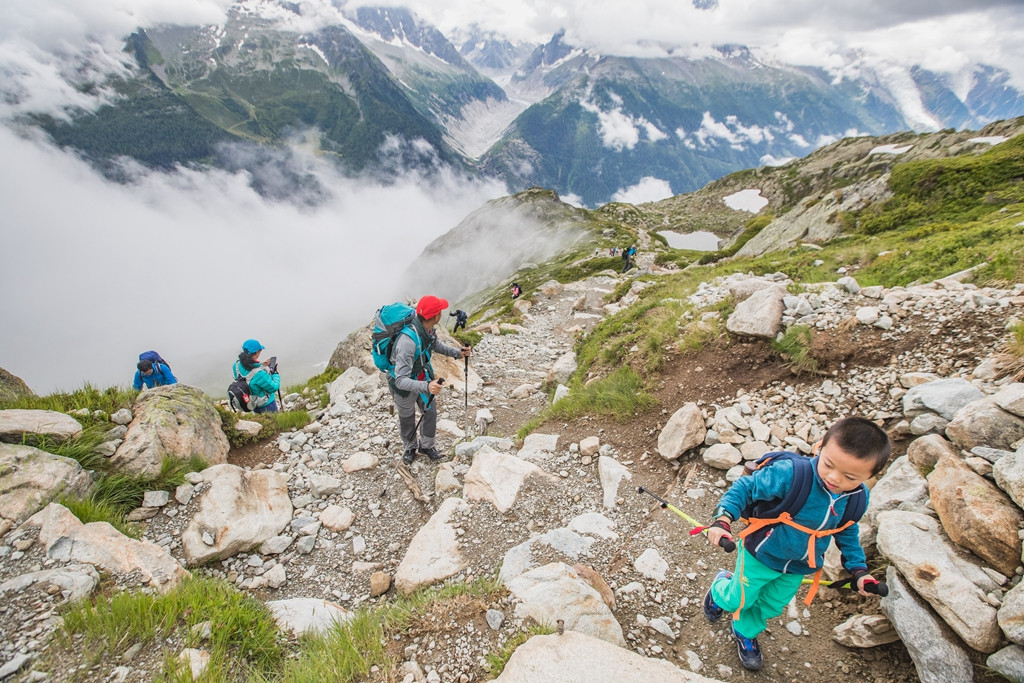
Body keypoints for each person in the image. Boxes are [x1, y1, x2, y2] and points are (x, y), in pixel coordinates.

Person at [701, 417, 891, 671]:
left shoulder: (857, 499)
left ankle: (745, 630)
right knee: (738, 599)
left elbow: (847, 531)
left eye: (849, 476)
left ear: (870, 476)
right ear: (821, 447)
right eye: (829, 464)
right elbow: (746, 488)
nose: (834, 478)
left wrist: (859, 571)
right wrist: (723, 518)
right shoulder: (792, 473)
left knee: (771, 605)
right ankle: (719, 589)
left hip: (800, 567)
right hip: (761, 555)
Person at [389, 295, 471, 465]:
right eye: (440, 311)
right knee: (407, 417)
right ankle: (409, 447)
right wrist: (427, 385)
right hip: (403, 387)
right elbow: (400, 380)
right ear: (434, 316)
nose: (442, 313)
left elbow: (436, 345)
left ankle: (426, 446)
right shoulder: (407, 342)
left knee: (430, 411)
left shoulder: (428, 330)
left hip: (421, 376)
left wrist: (457, 353)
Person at [231, 339, 281, 413]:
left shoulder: (236, 365)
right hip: (266, 404)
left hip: (252, 402)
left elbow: (248, 371)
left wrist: (260, 364)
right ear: (257, 352)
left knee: (261, 423)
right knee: (274, 423)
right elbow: (274, 387)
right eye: (260, 351)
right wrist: (275, 374)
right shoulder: (260, 374)